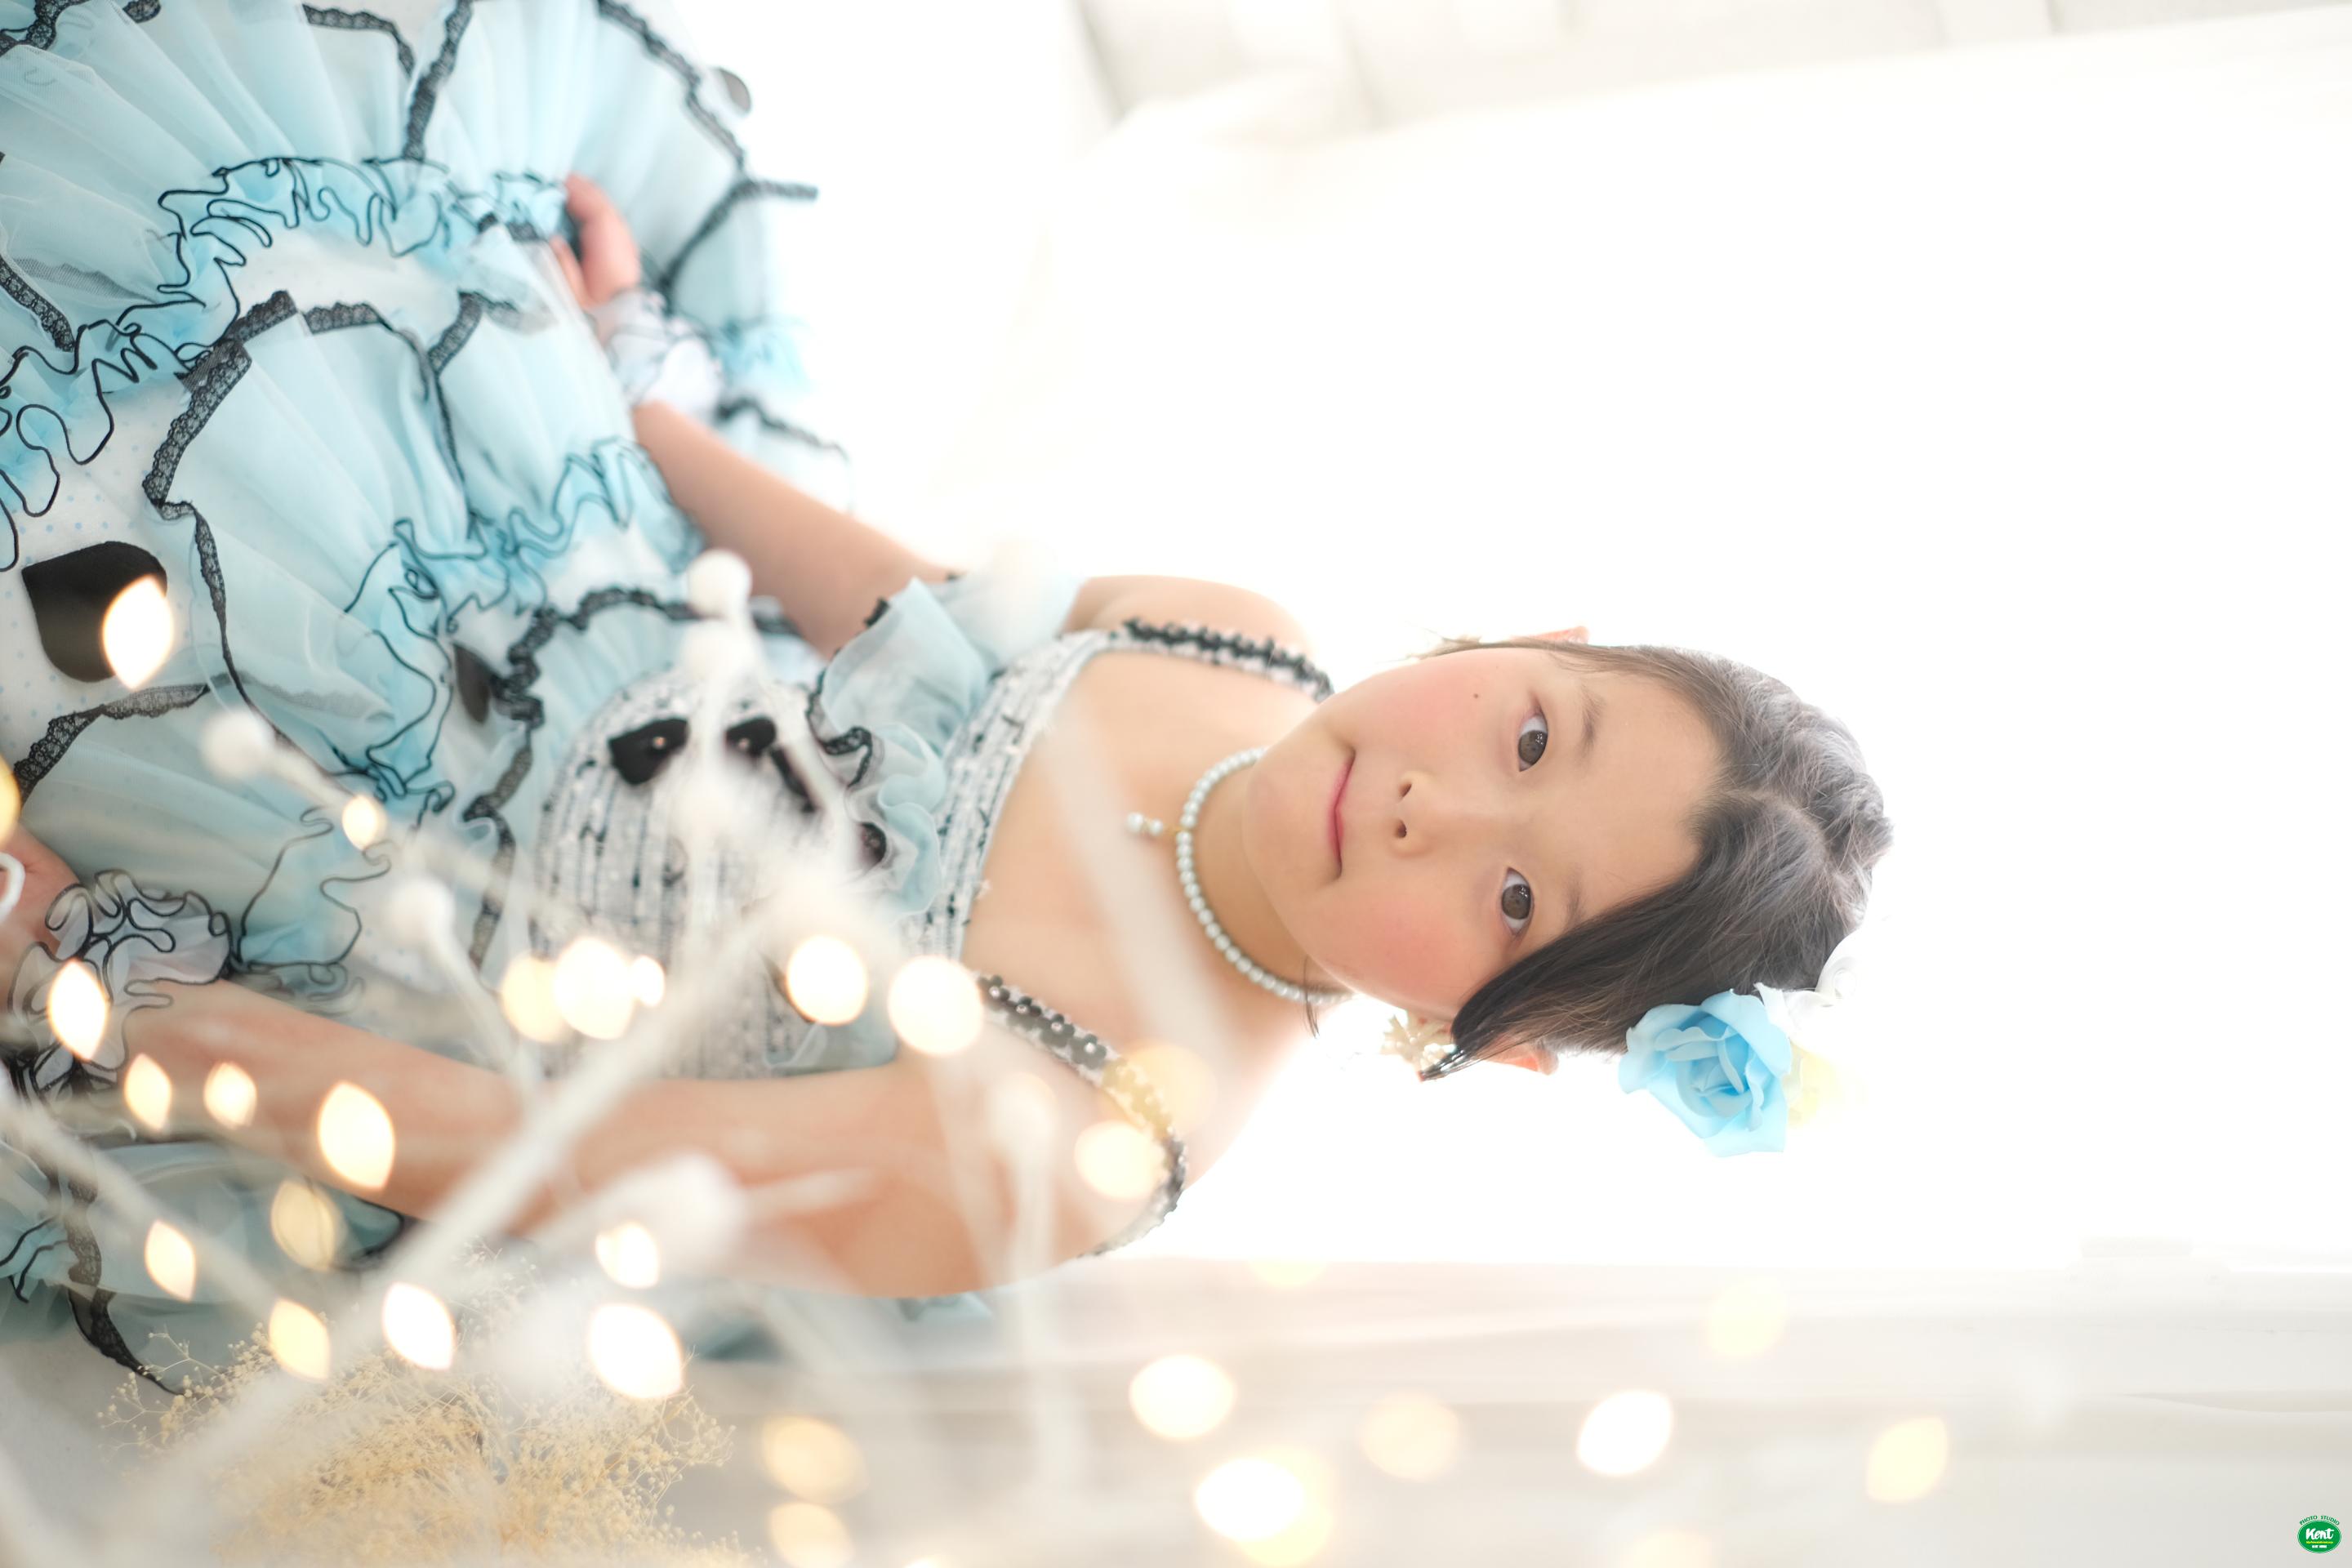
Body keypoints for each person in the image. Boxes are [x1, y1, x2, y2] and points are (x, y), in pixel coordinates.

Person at [0, 0, 1889, 1388]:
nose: (1434, 806)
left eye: (1514, 898)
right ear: (1522, 640)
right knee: (261, 219)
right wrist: (632, 399)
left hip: (417, 962)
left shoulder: (1099, 1125)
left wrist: (115, 1006)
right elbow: (872, 594)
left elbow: (558, 1164)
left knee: (107, 569)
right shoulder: (1233, 641)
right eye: (1529, 734)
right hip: (590, 655)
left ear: (1503, 1038)